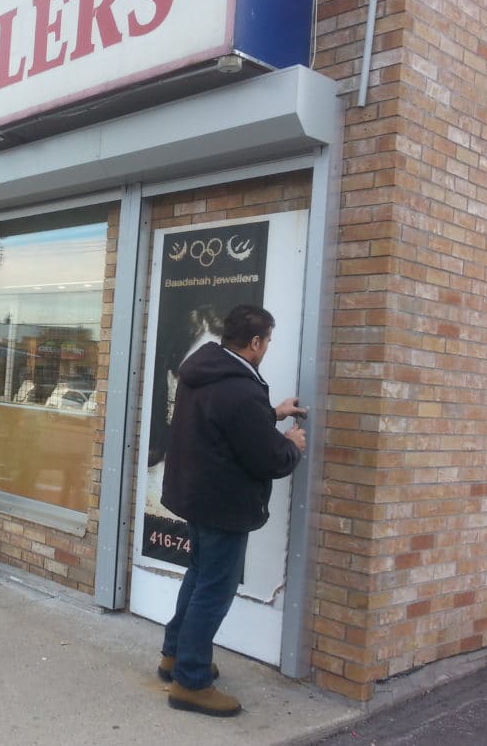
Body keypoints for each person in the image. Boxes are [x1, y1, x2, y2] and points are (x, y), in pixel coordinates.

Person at [158, 304, 306, 717]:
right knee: (214, 591)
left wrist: (271, 413)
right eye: (268, 341)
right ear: (255, 342)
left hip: (197, 497)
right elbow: (267, 458)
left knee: (199, 578)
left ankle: (175, 655)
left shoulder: (205, 371)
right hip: (223, 505)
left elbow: (225, 422)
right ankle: (190, 682)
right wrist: (291, 446)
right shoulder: (240, 388)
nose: (268, 348)